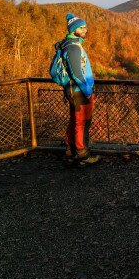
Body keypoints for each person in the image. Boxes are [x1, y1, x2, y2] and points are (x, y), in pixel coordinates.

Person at [56, 13, 100, 167]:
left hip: (72, 90)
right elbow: (77, 73)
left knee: (74, 121)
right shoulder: (73, 48)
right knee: (82, 122)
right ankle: (82, 155)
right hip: (79, 91)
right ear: (74, 30)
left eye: (85, 27)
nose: (85, 30)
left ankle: (70, 151)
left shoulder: (67, 44)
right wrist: (88, 90)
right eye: (82, 28)